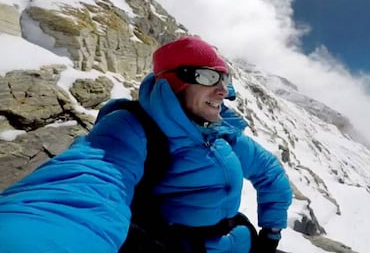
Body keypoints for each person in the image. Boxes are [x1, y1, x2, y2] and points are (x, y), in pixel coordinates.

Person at [0, 36, 292, 253]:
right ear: (174, 82)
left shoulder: (222, 133)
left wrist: (271, 232)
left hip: (239, 240)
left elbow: (269, 173)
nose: (223, 89)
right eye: (208, 76)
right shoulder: (132, 129)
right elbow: (80, 189)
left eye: (225, 78)